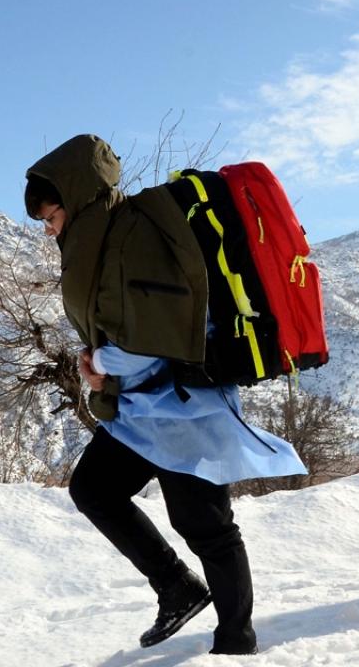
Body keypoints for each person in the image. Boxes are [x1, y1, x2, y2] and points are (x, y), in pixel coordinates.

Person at [23, 134, 307, 655]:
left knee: (206, 527)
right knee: (94, 489)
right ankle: (177, 587)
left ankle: (236, 642)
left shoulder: (133, 239)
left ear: (76, 199)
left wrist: (98, 365)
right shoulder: (102, 241)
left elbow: (153, 340)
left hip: (186, 407)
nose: (49, 229)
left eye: (51, 217)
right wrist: (101, 364)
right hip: (141, 409)